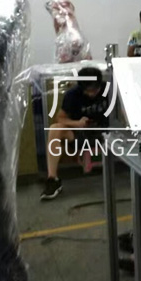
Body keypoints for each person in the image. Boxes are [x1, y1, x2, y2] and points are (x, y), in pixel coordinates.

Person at [42, 67, 109, 201]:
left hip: (106, 132)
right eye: (88, 91)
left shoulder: (109, 89)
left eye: (94, 90)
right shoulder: (72, 94)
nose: (91, 94)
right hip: (81, 133)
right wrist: (77, 123)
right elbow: (60, 118)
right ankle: (52, 179)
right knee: (55, 129)